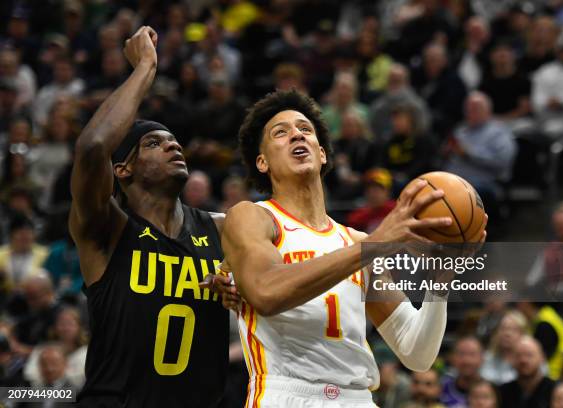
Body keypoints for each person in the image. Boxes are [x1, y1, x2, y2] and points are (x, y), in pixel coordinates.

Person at [220, 89, 485, 407]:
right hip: (288, 393)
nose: (296, 135)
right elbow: (265, 292)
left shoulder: (357, 243)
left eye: (305, 130)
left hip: (356, 398)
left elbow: (416, 353)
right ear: (262, 162)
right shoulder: (253, 216)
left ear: (322, 154)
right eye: (281, 132)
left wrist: (440, 283)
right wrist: (374, 244)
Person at [69, 26, 227, 407]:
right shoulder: (107, 229)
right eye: (154, 143)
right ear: (122, 170)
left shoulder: (222, 227)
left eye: (173, 140)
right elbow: (92, 148)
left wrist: (386, 246)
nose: (172, 144)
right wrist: (145, 67)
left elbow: (318, 247)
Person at [499, 336, 556, 408]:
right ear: (511, 359)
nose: (523, 360)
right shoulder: (502, 393)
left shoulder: (555, 391)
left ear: (542, 358)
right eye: (518, 355)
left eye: (529, 355)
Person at [440, 336, 485, 408]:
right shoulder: (441, 388)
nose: (466, 360)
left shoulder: (492, 391)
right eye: (461, 354)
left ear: (482, 358)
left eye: (472, 354)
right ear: (452, 358)